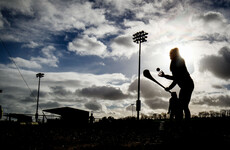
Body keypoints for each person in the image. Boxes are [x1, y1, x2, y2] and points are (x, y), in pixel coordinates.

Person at [159, 48, 194, 120]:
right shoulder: (175, 62)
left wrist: (168, 85)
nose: (169, 55)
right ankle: (181, 122)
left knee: (183, 105)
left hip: (188, 85)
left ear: (174, 54)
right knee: (182, 105)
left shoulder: (178, 61)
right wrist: (165, 77)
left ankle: (185, 123)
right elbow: (176, 78)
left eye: (171, 53)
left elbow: (176, 78)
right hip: (185, 86)